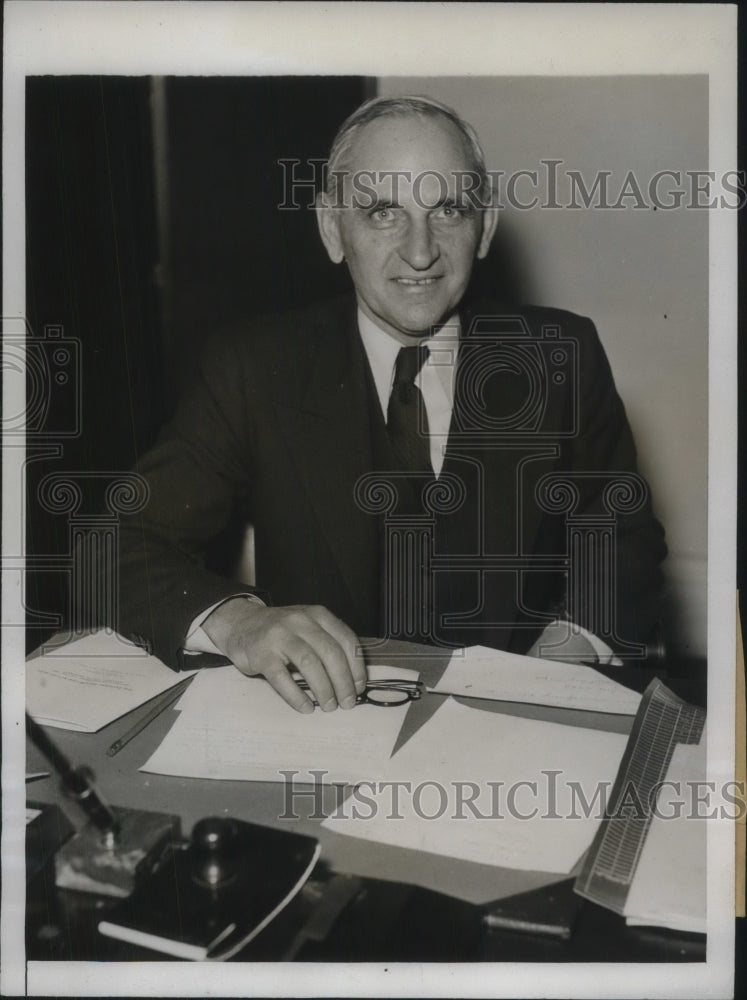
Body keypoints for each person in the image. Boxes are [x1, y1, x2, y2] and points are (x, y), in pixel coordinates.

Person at [110, 95, 667, 713]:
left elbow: (623, 533)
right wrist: (239, 621)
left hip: (517, 726)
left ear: (484, 228)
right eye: (382, 212)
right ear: (331, 228)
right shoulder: (254, 367)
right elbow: (114, 544)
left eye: (448, 210)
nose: (421, 251)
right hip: (326, 729)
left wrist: (567, 648)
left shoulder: (560, 355)